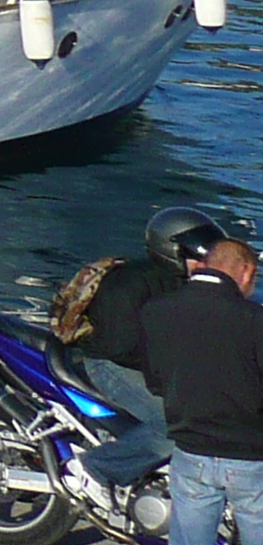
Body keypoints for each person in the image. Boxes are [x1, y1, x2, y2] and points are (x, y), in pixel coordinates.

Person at [141, 229, 263, 545]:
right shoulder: (255, 322)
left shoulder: (157, 313)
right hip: (253, 463)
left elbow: (155, 381)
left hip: (190, 457)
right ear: (245, 272)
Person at [55, 207, 222, 491]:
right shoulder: (130, 283)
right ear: (173, 249)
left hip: (150, 366)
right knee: (181, 425)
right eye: (197, 250)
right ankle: (94, 469)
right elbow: (121, 346)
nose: (204, 258)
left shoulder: (187, 284)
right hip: (107, 364)